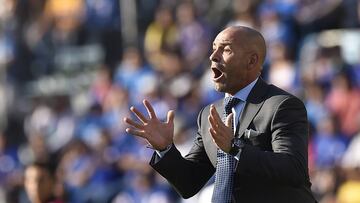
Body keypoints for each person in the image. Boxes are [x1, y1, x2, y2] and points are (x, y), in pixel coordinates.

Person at [124, 26, 317, 203]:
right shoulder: (209, 113)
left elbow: (294, 169)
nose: (213, 56)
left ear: (252, 60)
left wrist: (235, 148)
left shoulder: (281, 105)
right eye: (214, 48)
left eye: (225, 50)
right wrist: (165, 149)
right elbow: (189, 183)